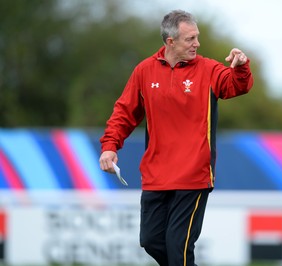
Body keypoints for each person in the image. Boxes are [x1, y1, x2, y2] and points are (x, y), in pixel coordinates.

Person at [98, 10, 253, 266]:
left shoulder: (208, 69)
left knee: (178, 247)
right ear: (170, 41)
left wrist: (241, 67)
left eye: (197, 37)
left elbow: (236, 85)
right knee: (151, 241)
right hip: (156, 175)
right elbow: (123, 113)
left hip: (194, 175)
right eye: (190, 39)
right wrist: (109, 146)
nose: (197, 44)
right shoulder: (144, 71)